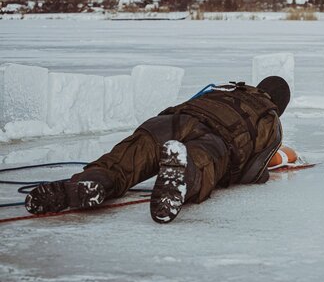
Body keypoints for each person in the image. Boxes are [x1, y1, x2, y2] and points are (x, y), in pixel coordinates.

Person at [25, 76, 291, 224]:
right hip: (217, 138)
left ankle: (89, 182)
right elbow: (251, 172)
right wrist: (260, 175)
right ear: (280, 105)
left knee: (122, 162)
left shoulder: (227, 87)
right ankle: (180, 174)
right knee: (200, 164)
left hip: (170, 122)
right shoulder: (271, 119)